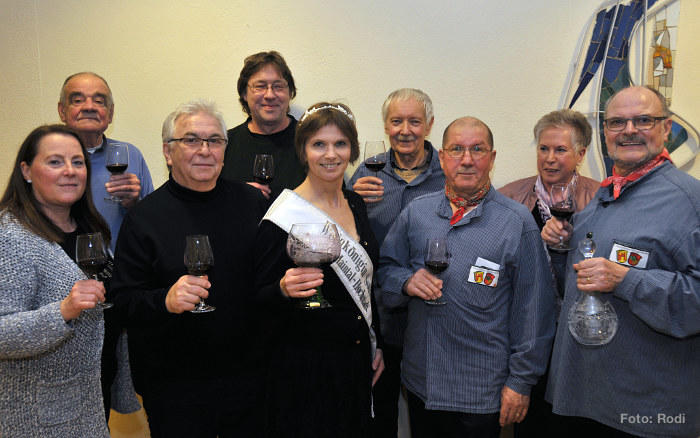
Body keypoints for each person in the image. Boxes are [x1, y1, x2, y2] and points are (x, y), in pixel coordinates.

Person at [378, 117, 556, 438]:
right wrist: (406, 282)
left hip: (482, 391)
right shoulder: (417, 212)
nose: (467, 159)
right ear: (442, 157)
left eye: (478, 149)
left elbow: (535, 311)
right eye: (457, 149)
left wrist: (520, 382)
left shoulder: (516, 222)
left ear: (492, 157)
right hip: (422, 383)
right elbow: (385, 271)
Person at [541, 86, 700, 437]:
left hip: (647, 412)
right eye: (617, 122)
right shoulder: (606, 194)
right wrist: (563, 249)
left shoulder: (690, 201)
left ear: (666, 129)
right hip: (584, 398)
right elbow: (581, 283)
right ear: (605, 132)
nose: (629, 130)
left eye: (643, 120)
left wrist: (627, 280)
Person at [110, 100, 269, 437]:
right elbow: (122, 301)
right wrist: (164, 300)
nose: (205, 150)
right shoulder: (144, 218)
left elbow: (268, 281)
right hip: (174, 386)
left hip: (248, 379)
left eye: (215, 141)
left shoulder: (252, 203)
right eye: (191, 140)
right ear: (168, 152)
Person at [255, 102, 384, 437]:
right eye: (319, 144)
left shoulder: (355, 204)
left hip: (354, 358)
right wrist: (283, 289)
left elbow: (367, 282)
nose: (330, 154)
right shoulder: (283, 215)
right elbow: (257, 298)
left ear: (352, 149)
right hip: (304, 367)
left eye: (340, 143)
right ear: (303, 150)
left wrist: (376, 343)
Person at [0, 124, 110, 437]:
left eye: (77, 162)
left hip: (90, 403)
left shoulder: (89, 227)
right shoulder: (11, 236)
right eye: (55, 162)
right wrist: (63, 311)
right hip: (37, 418)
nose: (70, 171)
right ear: (26, 171)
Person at [349, 88, 444, 437]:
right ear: (386, 126)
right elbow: (345, 236)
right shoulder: (365, 172)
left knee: (430, 414)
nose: (405, 130)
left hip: (432, 314)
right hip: (379, 315)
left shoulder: (449, 174)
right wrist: (350, 200)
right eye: (396, 121)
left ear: (429, 125)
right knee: (380, 411)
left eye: (414, 121)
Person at [498, 109, 599, 437]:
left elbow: (607, 268)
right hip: (527, 338)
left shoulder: (601, 200)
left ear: (581, 154)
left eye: (560, 150)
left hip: (580, 341)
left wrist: (570, 245)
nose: (550, 158)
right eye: (544, 148)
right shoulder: (509, 197)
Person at [221, 51, 306, 200]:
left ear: (290, 93)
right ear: (244, 94)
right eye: (260, 86)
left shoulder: (311, 141)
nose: (270, 95)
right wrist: (234, 195)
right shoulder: (223, 145)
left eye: (278, 86)